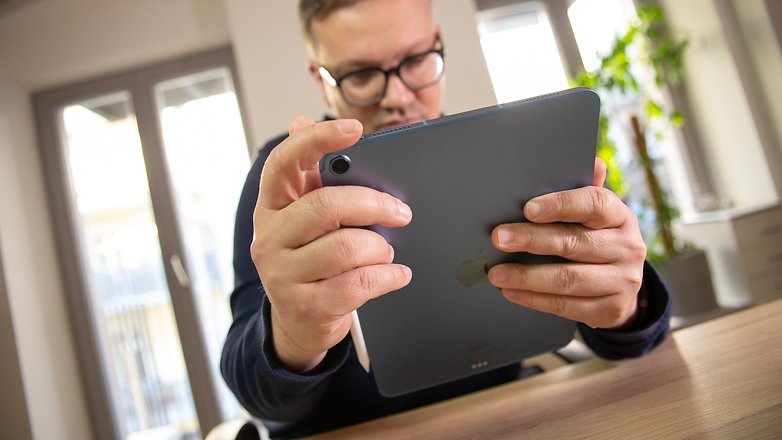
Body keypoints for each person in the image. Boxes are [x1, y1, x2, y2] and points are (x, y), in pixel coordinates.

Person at [221, 0, 671, 437]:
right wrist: (293, 337)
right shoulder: (286, 178)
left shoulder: (506, 150)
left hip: (515, 418)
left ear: (438, 43)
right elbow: (256, 392)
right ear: (321, 80)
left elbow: (634, 342)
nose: (397, 98)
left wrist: (625, 305)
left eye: (417, 59)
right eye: (360, 75)